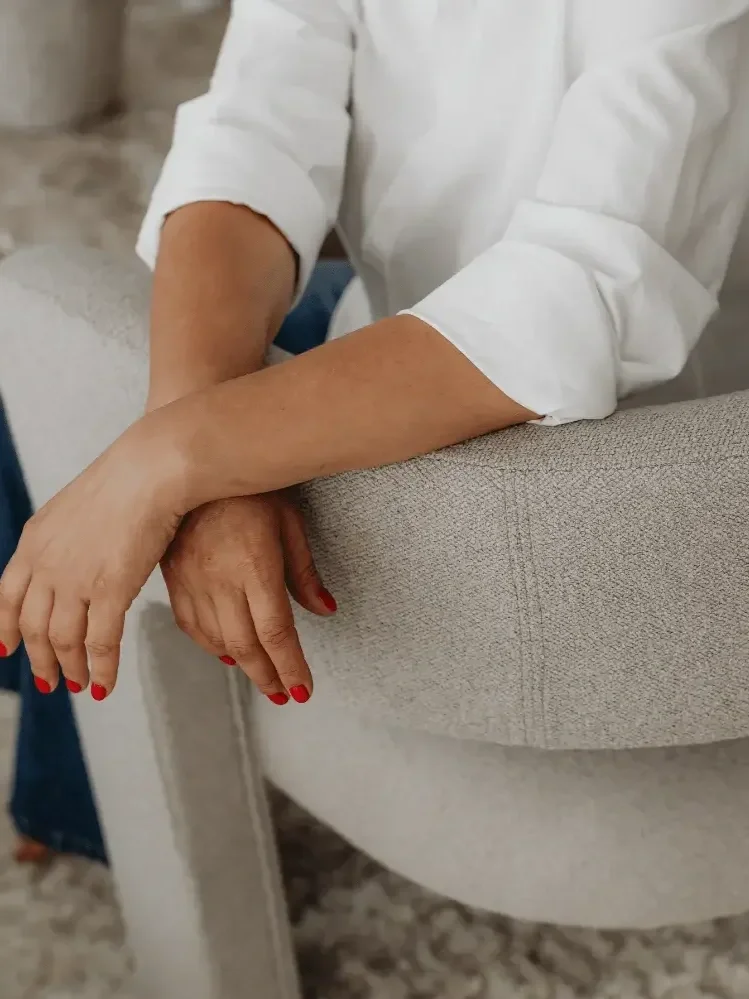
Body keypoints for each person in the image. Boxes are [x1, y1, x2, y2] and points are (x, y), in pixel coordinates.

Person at [2, 0, 749, 719]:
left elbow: (577, 296)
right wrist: (192, 455)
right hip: (404, 324)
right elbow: (255, 135)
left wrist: (169, 454)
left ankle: (84, 796)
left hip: (626, 473)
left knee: (86, 406)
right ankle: (78, 785)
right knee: (102, 435)